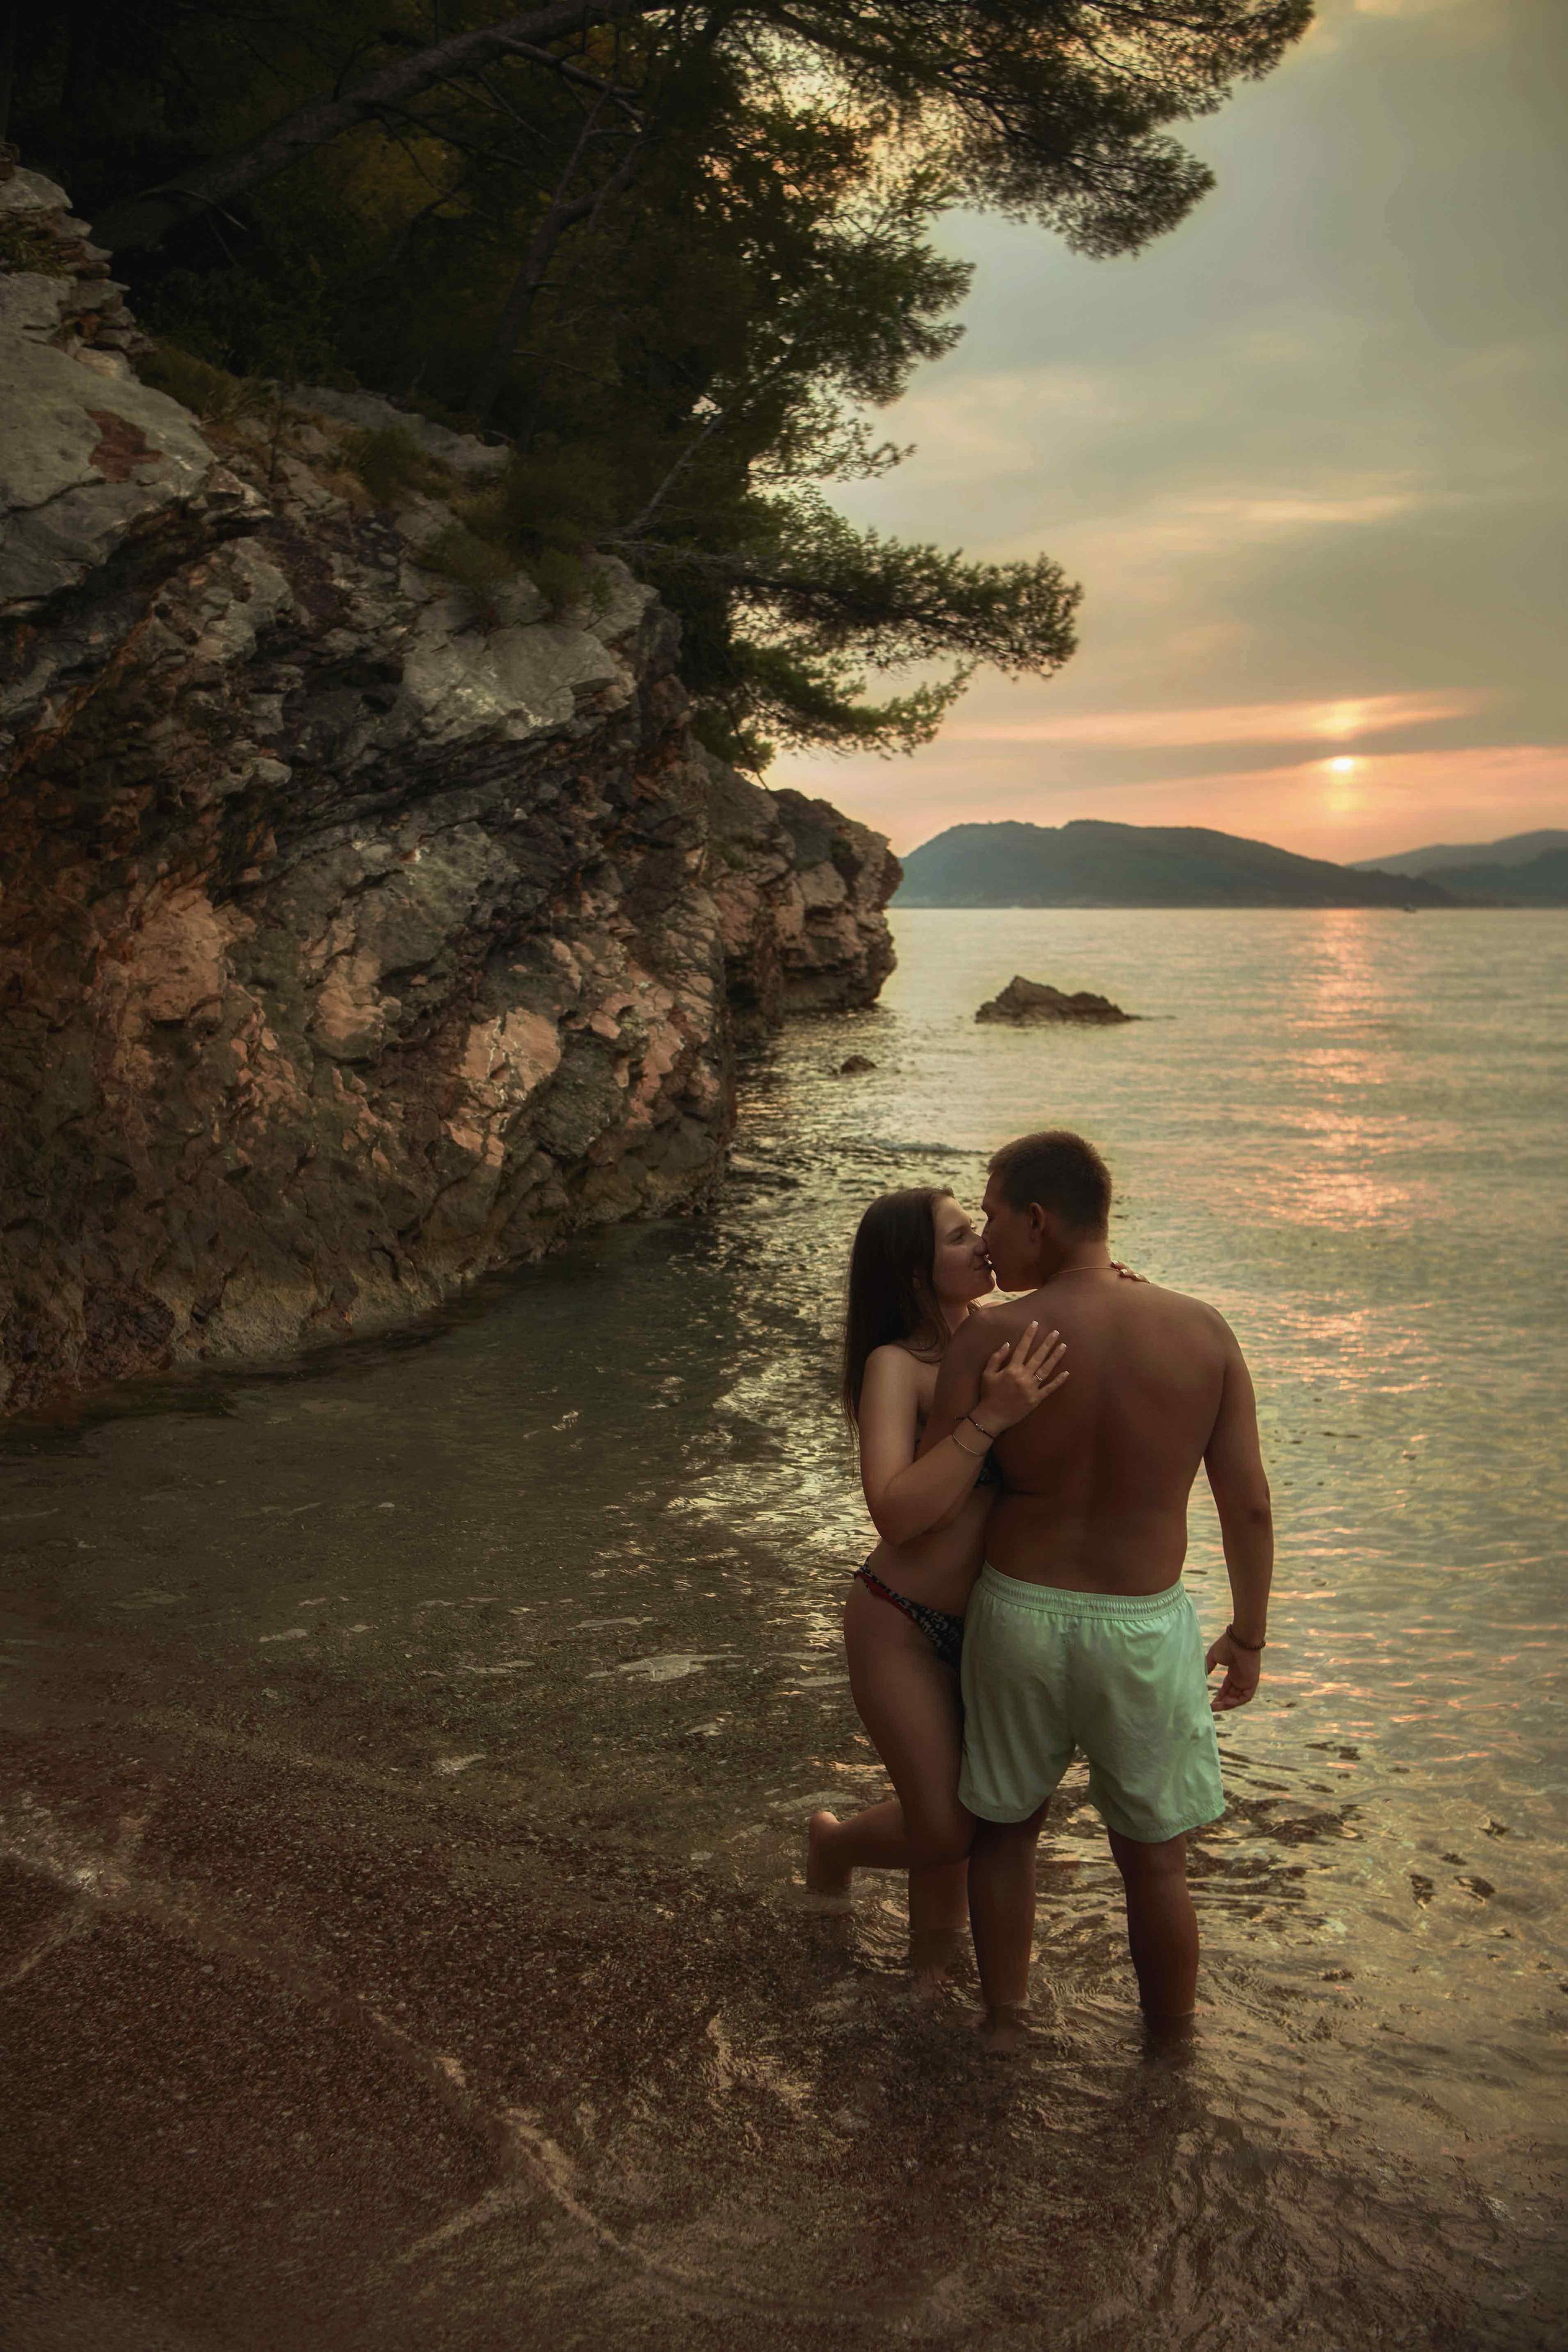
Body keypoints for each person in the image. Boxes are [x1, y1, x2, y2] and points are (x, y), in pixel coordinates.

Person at [921, 1129, 1273, 2047]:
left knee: (1007, 1833)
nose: (988, 1239)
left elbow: (937, 1494)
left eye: (993, 1215)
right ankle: (1171, 2046)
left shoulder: (994, 1339)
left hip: (1020, 1614)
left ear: (1038, 1218)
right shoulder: (1201, 1331)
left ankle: (1003, 2023)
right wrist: (1250, 1634)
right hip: (1144, 1629)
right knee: (1156, 1864)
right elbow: (1250, 1506)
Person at [804, 1186, 1066, 1984]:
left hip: (989, 1624)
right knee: (947, 1828)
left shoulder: (995, 1348)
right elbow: (894, 1510)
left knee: (957, 1815)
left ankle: (929, 1978)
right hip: (901, 1623)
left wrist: (1104, 1285)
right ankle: (834, 1845)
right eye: (959, 1238)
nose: (981, 1244)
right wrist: (988, 1419)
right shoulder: (897, 1368)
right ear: (918, 1273)